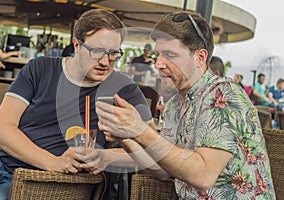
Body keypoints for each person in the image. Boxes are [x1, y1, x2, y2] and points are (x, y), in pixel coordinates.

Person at [95, 11, 276, 199]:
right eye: (158, 55)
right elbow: (162, 169)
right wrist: (126, 136)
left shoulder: (224, 94)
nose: (158, 64)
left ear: (200, 57)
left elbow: (204, 175)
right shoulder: (175, 104)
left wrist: (142, 131)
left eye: (170, 55)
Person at [0, 9, 153, 200]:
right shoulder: (40, 68)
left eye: (113, 53)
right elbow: (0, 130)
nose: (105, 61)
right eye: (96, 51)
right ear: (76, 45)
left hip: (41, 184)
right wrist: (53, 161)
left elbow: (151, 151)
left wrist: (107, 157)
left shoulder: (124, 90)